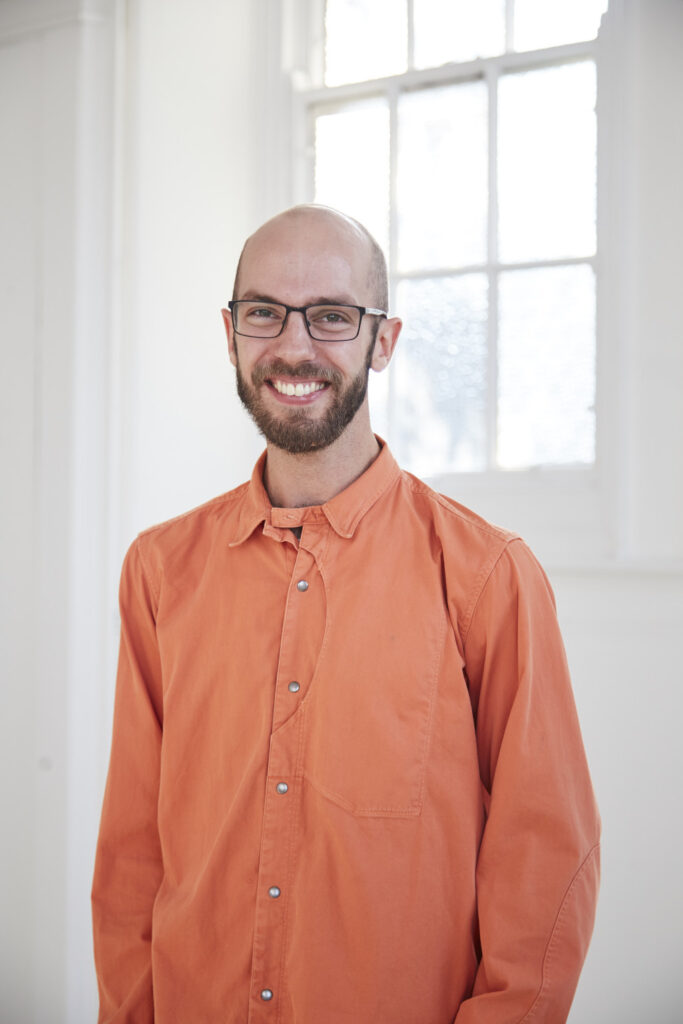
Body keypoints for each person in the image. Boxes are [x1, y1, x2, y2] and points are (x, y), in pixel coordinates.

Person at [92, 205, 600, 1023]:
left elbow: (544, 865)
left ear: (384, 340)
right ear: (230, 334)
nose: (294, 347)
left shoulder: (488, 576)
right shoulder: (159, 570)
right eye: (264, 312)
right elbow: (130, 853)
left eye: (331, 316)